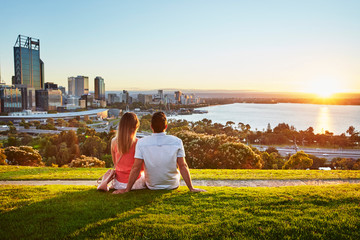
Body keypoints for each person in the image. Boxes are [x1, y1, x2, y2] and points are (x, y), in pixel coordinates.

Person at [116, 111, 205, 193]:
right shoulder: (177, 141)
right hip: (172, 185)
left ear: (151, 127)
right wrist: (191, 188)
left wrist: (127, 189)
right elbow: (183, 166)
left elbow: (136, 167)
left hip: (152, 186)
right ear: (166, 126)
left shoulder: (141, 142)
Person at [111, 112, 146, 194]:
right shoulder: (139, 143)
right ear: (135, 127)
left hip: (118, 184)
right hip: (135, 184)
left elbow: (115, 162)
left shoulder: (113, 142)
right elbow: (142, 168)